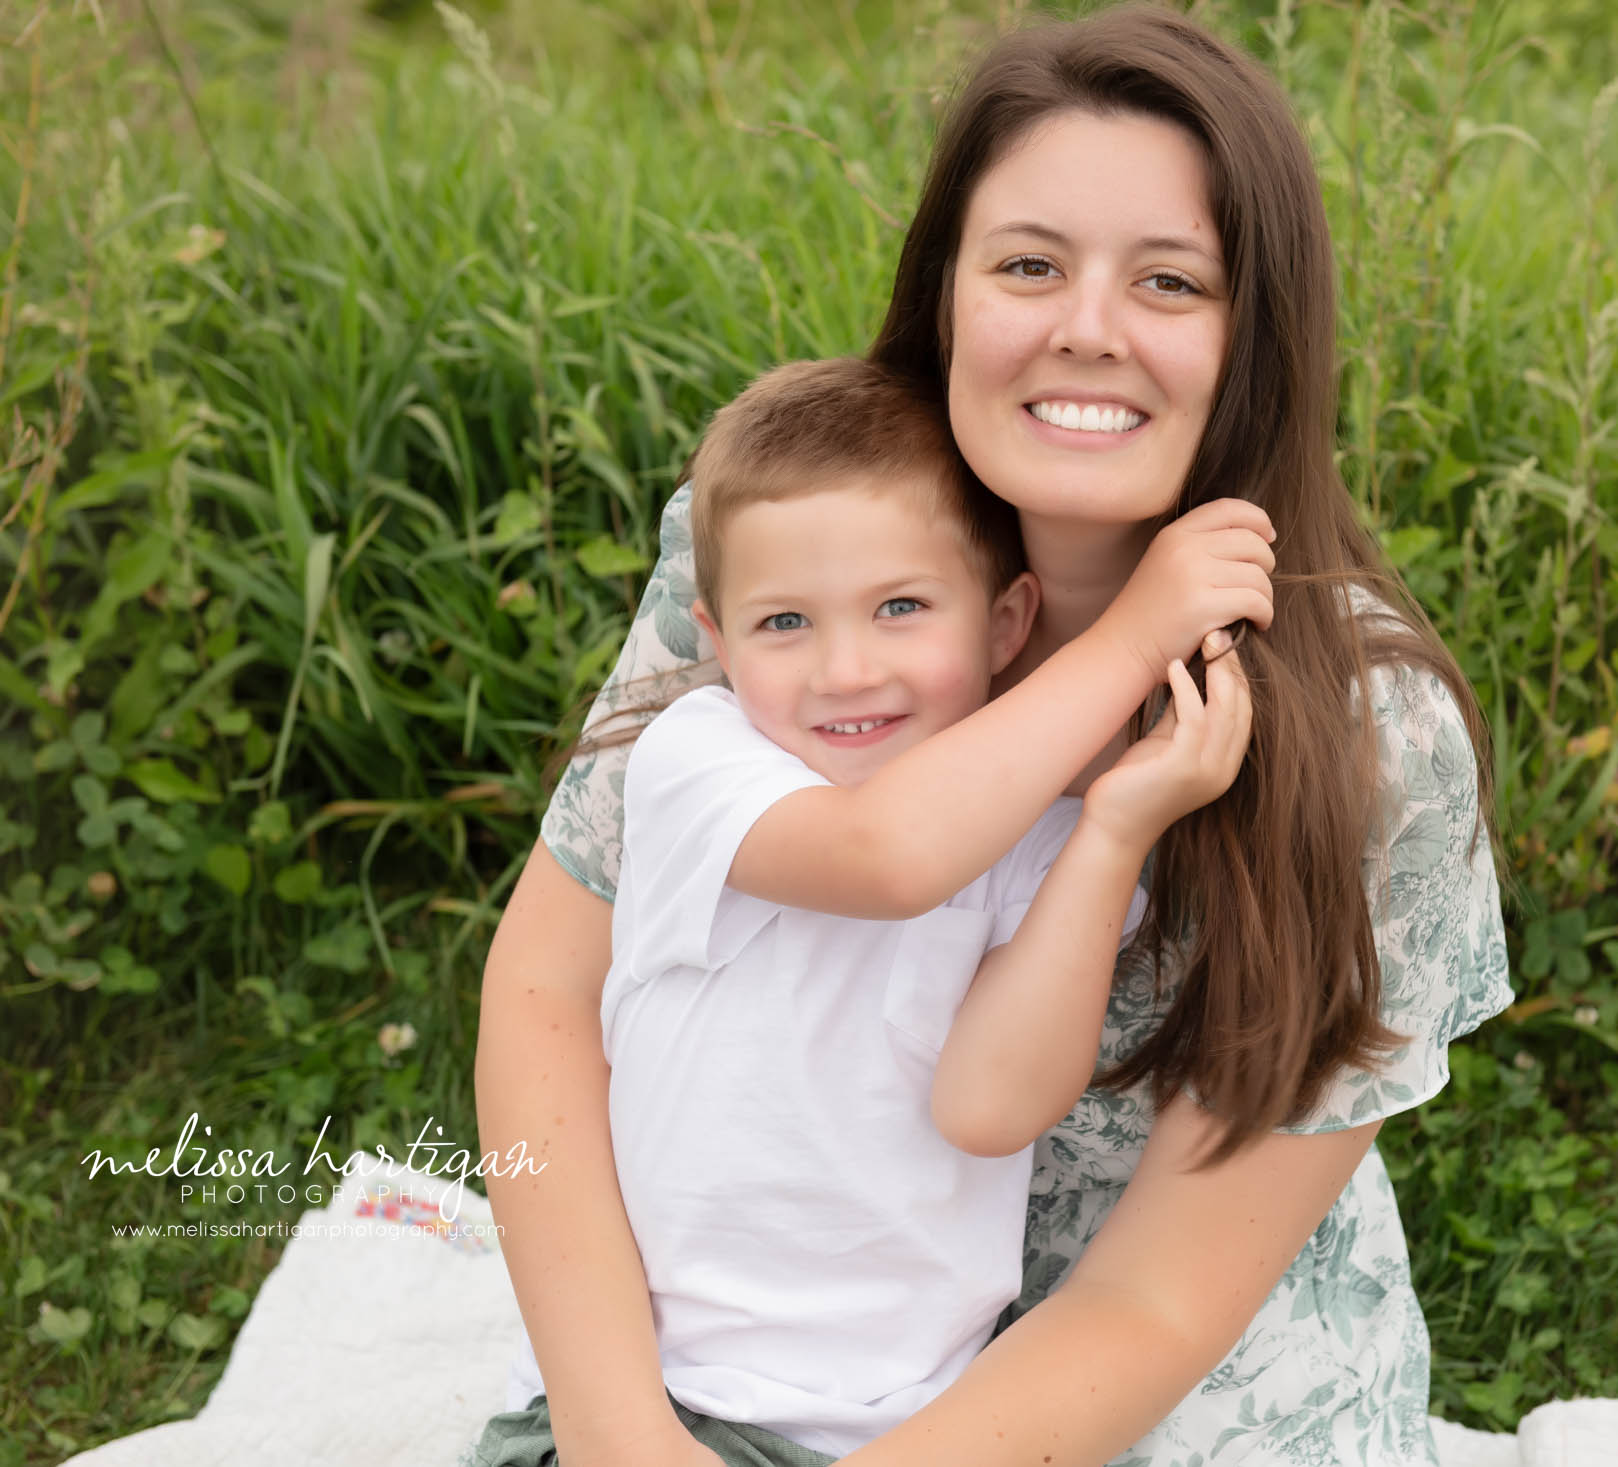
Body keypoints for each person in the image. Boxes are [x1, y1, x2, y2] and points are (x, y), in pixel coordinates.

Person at [477, 7, 1512, 1465]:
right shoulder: (789, 552)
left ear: (1254, 335)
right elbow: (544, 985)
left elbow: (1155, 1301)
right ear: (948, 292)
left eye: (1169, 279)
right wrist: (613, 1422)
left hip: (1166, 1397)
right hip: (763, 1366)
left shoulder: (1369, 733)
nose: (1085, 325)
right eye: (1029, 264)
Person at [484, 356, 1257, 1465]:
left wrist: (1111, 834)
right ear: (713, 637)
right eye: (784, 622)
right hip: (649, 1406)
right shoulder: (701, 761)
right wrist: (1132, 638)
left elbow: (990, 1107)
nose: (845, 670)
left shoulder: (1036, 843)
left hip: (899, 1430)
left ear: (1005, 626)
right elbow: (882, 856)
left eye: (900, 607)